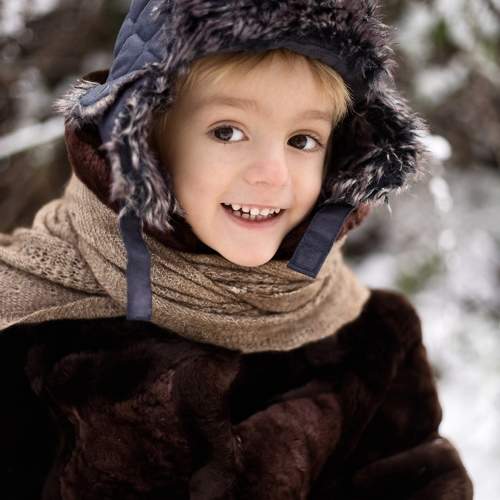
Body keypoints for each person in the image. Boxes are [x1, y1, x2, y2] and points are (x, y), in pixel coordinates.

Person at [0, 0, 474, 499]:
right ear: (145, 141)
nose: (272, 173)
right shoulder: (31, 328)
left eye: (302, 140)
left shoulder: (369, 341)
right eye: (227, 131)